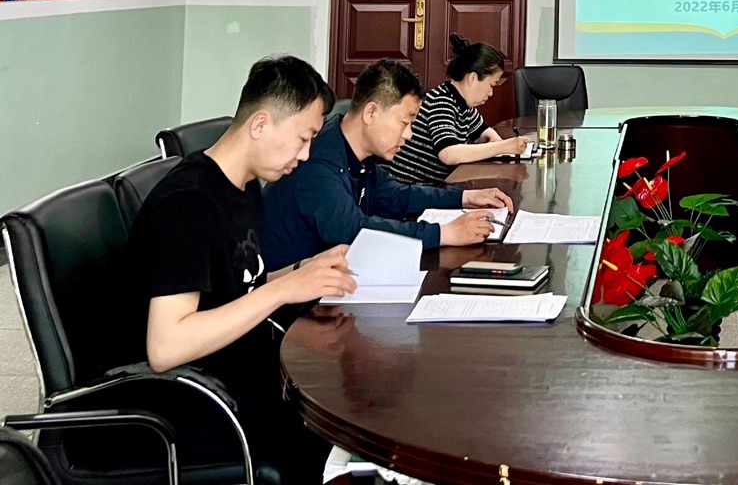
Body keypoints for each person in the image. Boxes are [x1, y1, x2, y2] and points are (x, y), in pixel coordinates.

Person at [123, 56, 359, 484]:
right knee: (341, 425)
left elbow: (238, 285)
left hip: (240, 372)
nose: (306, 155)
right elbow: (166, 346)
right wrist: (281, 290)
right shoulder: (189, 204)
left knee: (351, 391)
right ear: (260, 124)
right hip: (194, 405)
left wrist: (302, 271)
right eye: (303, 138)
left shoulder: (243, 185)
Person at [260, 59, 514, 270]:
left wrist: (465, 197)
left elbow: (396, 196)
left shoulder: (356, 152)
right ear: (371, 113)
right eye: (405, 122)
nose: (409, 134)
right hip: (289, 301)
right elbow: (355, 230)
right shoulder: (319, 163)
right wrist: (445, 233)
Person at [388, 35, 528, 185]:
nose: (490, 93)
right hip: (411, 187)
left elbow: (483, 132)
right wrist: (502, 147)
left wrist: (496, 140)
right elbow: (449, 154)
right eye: (491, 85)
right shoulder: (442, 102)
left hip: (433, 186)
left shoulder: (464, 104)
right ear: (473, 78)